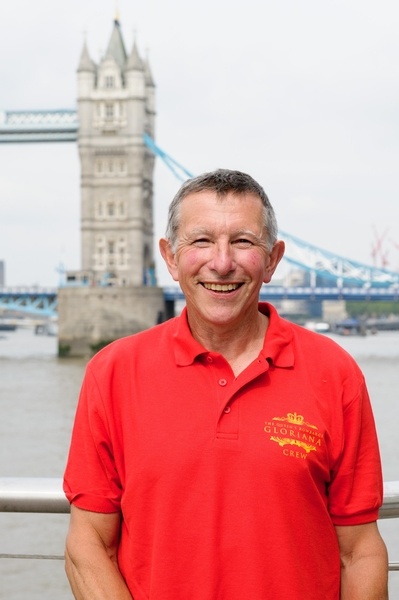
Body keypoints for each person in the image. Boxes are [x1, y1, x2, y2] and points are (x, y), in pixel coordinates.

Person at [63, 169, 388, 599]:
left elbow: (359, 551)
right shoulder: (112, 372)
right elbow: (88, 542)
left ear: (272, 259)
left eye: (243, 241)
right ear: (170, 257)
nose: (221, 262)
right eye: (200, 241)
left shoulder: (336, 373)